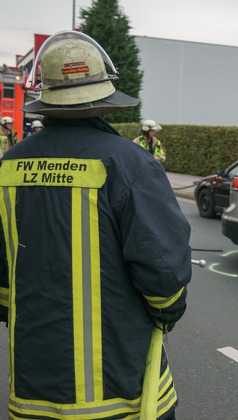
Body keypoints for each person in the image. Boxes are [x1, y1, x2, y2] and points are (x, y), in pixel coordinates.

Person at [0, 31, 191, 419]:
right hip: (122, 396)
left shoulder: (7, 168)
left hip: (32, 393)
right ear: (104, 98)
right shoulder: (131, 164)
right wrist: (166, 312)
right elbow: (164, 275)